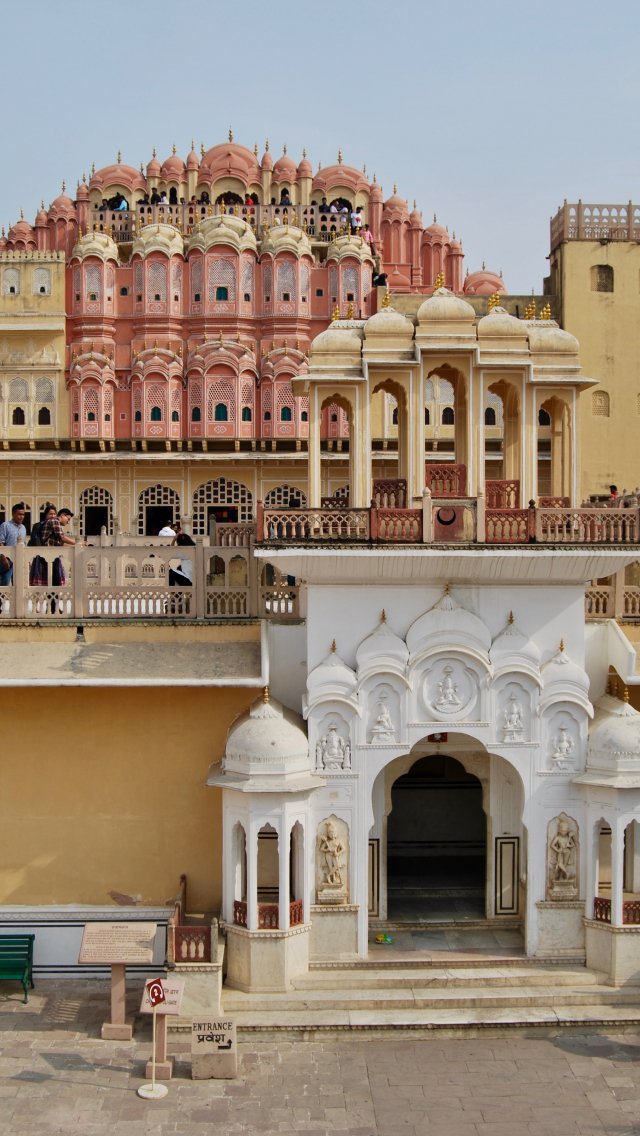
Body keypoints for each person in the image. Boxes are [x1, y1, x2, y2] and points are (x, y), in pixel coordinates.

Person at [29, 503, 57, 587]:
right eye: (50, 514)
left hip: (54, 555)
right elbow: (35, 539)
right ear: (46, 515)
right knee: (40, 581)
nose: (52, 516)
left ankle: (52, 595)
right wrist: (41, 552)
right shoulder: (38, 525)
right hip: (41, 556)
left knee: (54, 579)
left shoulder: (56, 525)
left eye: (54, 514)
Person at [0, 501, 27, 585]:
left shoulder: (23, 528)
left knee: (18, 584)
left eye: (23, 514)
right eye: (19, 514)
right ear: (13, 514)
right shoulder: (5, 525)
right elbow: (1, 542)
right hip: (8, 560)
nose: (22, 517)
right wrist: (3, 559)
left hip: (19, 559)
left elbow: (24, 544)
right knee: (5, 582)